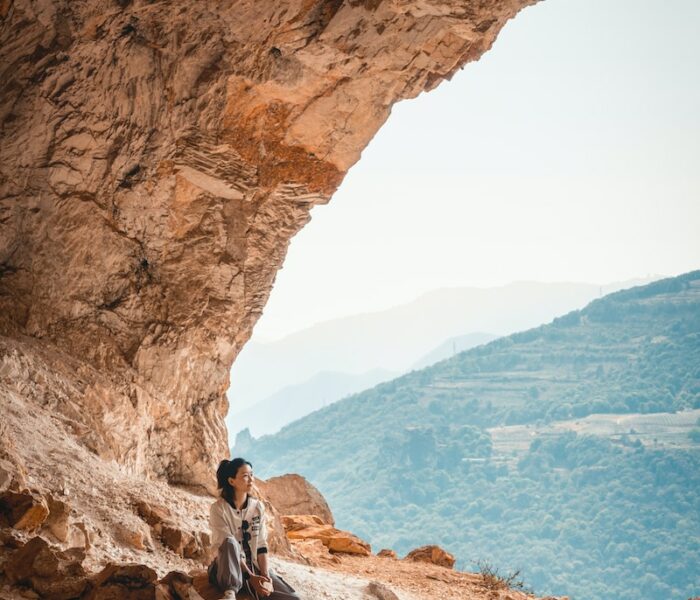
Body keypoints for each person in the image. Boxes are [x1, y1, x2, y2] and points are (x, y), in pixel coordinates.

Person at [209, 458, 301, 600]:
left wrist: (265, 575)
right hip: (227, 568)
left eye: (252, 474)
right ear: (231, 481)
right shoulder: (218, 509)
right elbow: (224, 544)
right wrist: (251, 578)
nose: (251, 480)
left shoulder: (258, 507)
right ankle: (230, 593)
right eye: (245, 476)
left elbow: (261, 545)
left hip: (255, 566)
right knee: (229, 542)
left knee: (293, 598)